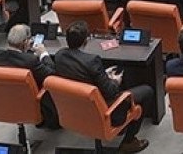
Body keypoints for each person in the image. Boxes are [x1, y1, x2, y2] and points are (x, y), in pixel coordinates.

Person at [53, 21, 153, 152]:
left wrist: (103, 75)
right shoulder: (92, 61)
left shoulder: (59, 56)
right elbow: (111, 92)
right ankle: (129, 141)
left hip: (75, 108)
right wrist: (115, 80)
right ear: (86, 40)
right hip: (103, 110)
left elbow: (81, 77)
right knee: (147, 91)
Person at [0, 24, 58, 128]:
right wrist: (44, 54)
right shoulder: (30, 61)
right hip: (29, 101)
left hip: (3, 99)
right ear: (25, 42)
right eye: (30, 39)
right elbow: (52, 74)